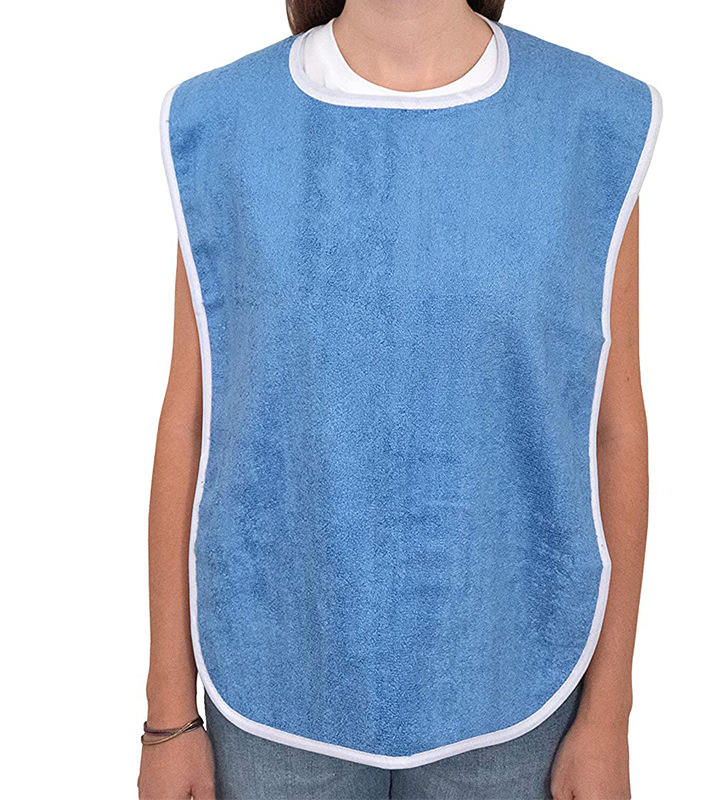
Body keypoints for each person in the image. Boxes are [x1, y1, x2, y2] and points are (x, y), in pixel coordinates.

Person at [138, 1, 660, 797]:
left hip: (516, 683)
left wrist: (610, 711)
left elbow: (611, 427)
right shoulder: (225, 124)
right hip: (275, 673)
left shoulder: (588, 122)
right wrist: (168, 714)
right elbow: (191, 421)